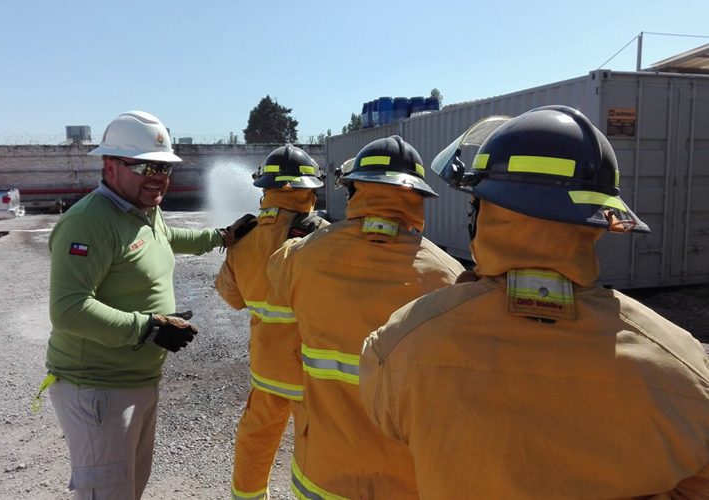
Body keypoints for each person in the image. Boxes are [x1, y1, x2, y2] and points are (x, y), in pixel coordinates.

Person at [360, 106, 709, 498]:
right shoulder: (686, 366)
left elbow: (390, 424)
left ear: (479, 216)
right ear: (596, 221)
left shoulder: (401, 343)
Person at [43, 110, 257, 500]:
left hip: (137, 382)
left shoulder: (142, 211)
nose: (157, 176)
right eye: (144, 165)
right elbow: (68, 309)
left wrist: (219, 237)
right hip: (98, 389)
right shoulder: (89, 222)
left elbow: (162, 238)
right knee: (106, 493)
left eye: (163, 167)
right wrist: (149, 327)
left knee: (129, 488)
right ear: (110, 166)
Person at [267, 135, 465, 498]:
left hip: (322, 475)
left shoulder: (297, 257)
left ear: (353, 190)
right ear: (419, 198)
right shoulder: (450, 277)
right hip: (407, 481)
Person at [215, 144, 329, 500]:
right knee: (321, 448)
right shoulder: (323, 237)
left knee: (256, 439)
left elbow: (232, 298)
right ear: (310, 190)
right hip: (314, 372)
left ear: (265, 189)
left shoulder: (243, 237)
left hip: (266, 370)